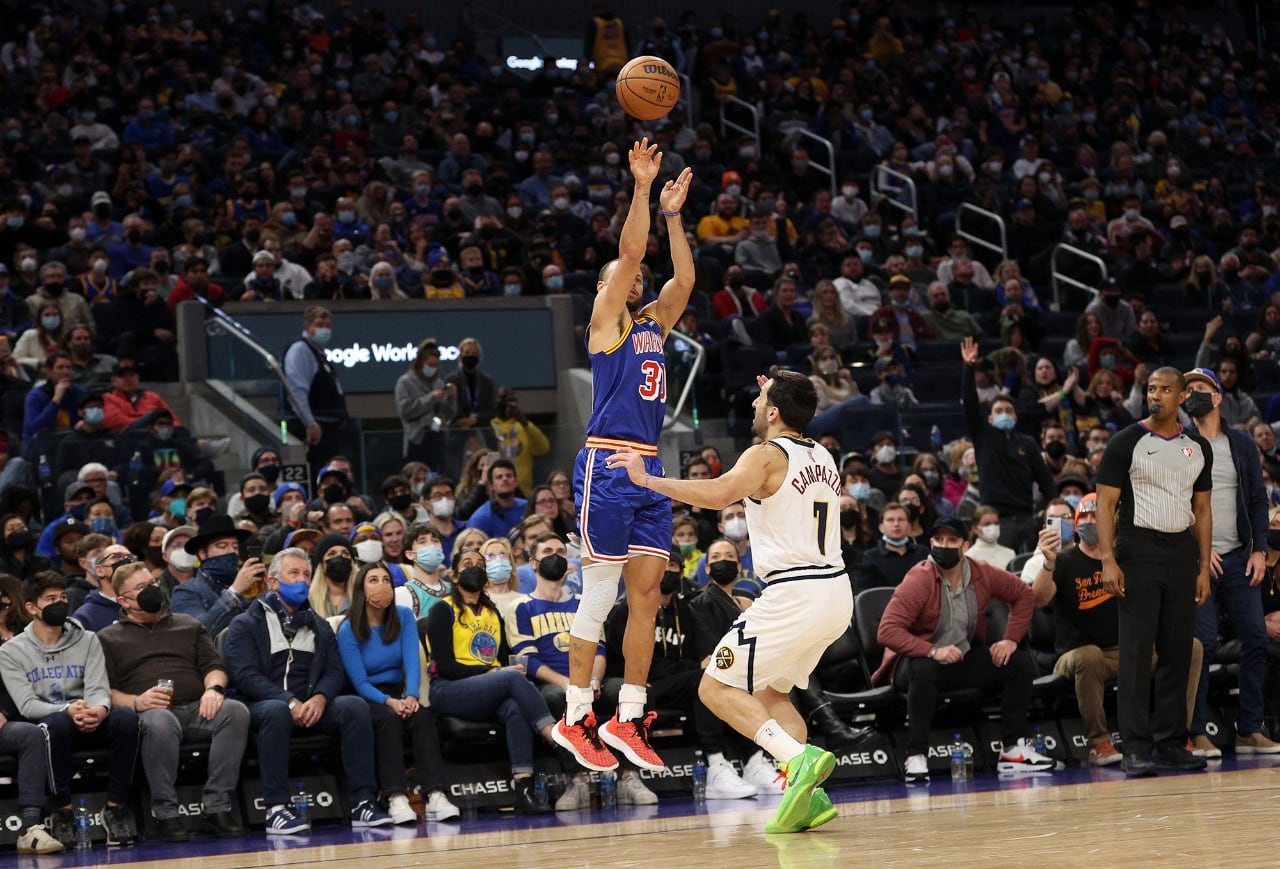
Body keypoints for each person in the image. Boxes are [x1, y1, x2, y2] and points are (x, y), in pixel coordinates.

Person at [607, 369, 852, 833]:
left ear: (776, 412)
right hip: (836, 593)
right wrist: (777, 384)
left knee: (713, 688)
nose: (754, 406)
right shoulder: (822, 454)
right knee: (771, 693)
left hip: (794, 592)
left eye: (761, 400)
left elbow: (720, 493)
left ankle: (798, 760)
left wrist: (646, 480)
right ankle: (807, 798)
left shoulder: (766, 454)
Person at [558, 142, 694, 775]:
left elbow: (684, 281)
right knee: (600, 594)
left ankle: (628, 716)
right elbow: (633, 255)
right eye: (624, 273)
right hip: (609, 466)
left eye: (636, 278)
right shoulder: (606, 321)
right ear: (607, 285)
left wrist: (673, 216)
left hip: (649, 468)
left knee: (647, 598)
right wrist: (641, 190)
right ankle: (575, 713)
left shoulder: (653, 326)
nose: (634, 278)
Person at [223, 548, 394, 834]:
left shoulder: (320, 625)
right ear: (273, 582)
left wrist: (321, 697)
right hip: (263, 706)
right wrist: (288, 700)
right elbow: (245, 675)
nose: (301, 581)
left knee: (353, 706)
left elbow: (334, 670)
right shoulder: (245, 624)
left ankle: (362, 802)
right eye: (293, 574)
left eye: (306, 574)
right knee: (276, 711)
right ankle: (276, 808)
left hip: (311, 706)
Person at [875, 516, 1055, 784]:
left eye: (951, 540)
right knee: (923, 671)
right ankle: (916, 755)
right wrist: (933, 650)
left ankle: (1013, 749)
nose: (943, 545)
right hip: (915, 661)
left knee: (1019, 664)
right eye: (938, 540)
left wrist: (1011, 640)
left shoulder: (981, 572)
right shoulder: (919, 578)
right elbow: (887, 631)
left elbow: (1023, 595)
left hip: (961, 657)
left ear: (965, 545)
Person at [1095, 367, 1212, 777]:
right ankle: (1136, 747)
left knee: (1178, 650)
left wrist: (1203, 566)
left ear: (1182, 396)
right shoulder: (1126, 441)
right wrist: (1108, 559)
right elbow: (1105, 504)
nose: (1155, 395)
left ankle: (1169, 742)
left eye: (1164, 389)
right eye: (1151, 389)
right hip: (1138, 548)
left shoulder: (1197, 446)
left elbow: (1202, 509)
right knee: (1137, 651)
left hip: (1181, 551)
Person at [1030, 494, 1205, 766]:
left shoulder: (1127, 557)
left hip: (1130, 649)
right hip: (1077, 655)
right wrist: (1048, 561)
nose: (1089, 521)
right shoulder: (1064, 561)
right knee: (1088, 656)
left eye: (1095, 516)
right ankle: (1099, 742)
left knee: (1191, 647)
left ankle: (1176, 735)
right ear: (1075, 525)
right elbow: (1039, 599)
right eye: (1083, 517)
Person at [98, 561, 250, 842]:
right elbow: (104, 690)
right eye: (142, 588)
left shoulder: (187, 624)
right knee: (159, 720)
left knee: (235, 711)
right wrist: (136, 701)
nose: (152, 590)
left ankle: (217, 807)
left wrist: (214, 690)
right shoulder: (107, 638)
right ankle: (165, 812)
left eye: (153, 584)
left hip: (196, 707)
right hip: (152, 712)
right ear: (123, 600)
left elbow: (213, 666)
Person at [0, 570, 140, 847]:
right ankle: (61, 811)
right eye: (51, 598)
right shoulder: (11, 652)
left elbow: (99, 687)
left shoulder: (88, 639)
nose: (60, 603)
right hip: (55, 719)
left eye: (63, 596)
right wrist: (68, 709)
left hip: (90, 714)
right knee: (56, 726)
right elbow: (27, 705)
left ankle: (116, 807)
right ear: (31, 608)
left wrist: (99, 710)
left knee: (125, 718)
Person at [1181, 368, 1280, 755]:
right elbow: (1175, 505)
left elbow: (1257, 499)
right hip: (1199, 562)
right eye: (1187, 390)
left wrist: (1257, 550)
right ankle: (1196, 731)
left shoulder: (1239, 443)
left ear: (1218, 397)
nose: (1192, 395)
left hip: (1239, 558)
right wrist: (1199, 552)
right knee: (1202, 645)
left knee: (1256, 639)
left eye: (1200, 389)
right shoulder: (1179, 443)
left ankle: (1249, 728)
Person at [423, 547, 557, 814]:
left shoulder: (493, 613)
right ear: (454, 575)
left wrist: (504, 673)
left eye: (479, 564)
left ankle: (524, 789)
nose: (474, 567)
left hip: (487, 689)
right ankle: (553, 735)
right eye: (467, 564)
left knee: (516, 706)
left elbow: (501, 659)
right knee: (509, 679)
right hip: (448, 689)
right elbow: (446, 667)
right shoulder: (442, 609)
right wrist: (490, 675)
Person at [337, 561, 460, 823]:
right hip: (368, 695)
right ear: (361, 589)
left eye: (385, 580)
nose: (381, 585)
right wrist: (390, 702)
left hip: (401, 689)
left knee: (423, 717)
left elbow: (412, 662)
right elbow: (359, 682)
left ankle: (436, 794)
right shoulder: (348, 629)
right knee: (388, 719)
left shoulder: (403, 616)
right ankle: (395, 796)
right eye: (373, 580)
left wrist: (412, 696)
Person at [960, 337, 1058, 552]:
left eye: (1008, 410)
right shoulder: (983, 435)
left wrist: (1050, 511)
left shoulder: (1028, 443)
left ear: (1015, 416)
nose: (1004, 414)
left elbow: (1046, 482)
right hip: (996, 518)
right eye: (998, 411)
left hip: (1026, 517)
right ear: (990, 418)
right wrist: (969, 366)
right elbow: (969, 402)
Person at [170, 515, 266, 638]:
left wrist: (267, 597)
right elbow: (196, 634)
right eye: (222, 546)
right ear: (203, 553)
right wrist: (234, 592)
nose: (232, 551)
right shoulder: (186, 591)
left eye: (235, 547)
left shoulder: (250, 587)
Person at [282, 305, 348, 472]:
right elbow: (296, 390)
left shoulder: (319, 353)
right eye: (319, 325)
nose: (324, 330)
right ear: (307, 327)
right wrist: (309, 422)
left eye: (327, 326)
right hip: (314, 429)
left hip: (329, 428)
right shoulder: (300, 350)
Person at [854, 502, 928, 593]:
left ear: (909, 525)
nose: (896, 524)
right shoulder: (870, 557)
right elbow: (867, 596)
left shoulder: (922, 553)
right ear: (881, 527)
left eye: (901, 519)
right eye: (890, 520)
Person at [465, 458, 528, 539]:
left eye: (509, 476)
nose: (505, 479)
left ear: (516, 482)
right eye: (499, 477)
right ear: (491, 486)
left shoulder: (527, 508)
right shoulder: (480, 518)